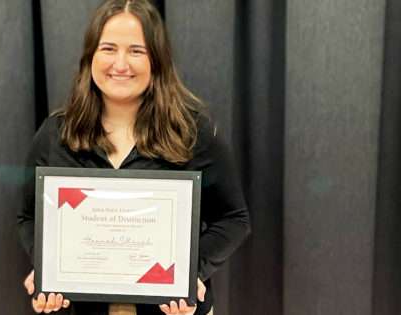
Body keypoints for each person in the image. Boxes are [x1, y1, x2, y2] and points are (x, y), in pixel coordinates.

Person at [17, 0, 251, 314]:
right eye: (109, 48)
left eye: (136, 51)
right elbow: (29, 216)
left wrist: (189, 272)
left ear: (157, 60)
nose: (121, 64)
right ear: (91, 57)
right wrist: (47, 266)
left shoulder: (192, 131)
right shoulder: (57, 133)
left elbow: (234, 219)